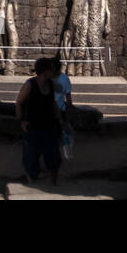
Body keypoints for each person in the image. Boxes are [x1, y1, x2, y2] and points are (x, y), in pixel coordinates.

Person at [15, 57, 63, 185]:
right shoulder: (30, 84)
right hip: (33, 126)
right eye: (52, 69)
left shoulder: (52, 85)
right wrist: (21, 121)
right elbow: (19, 102)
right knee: (31, 157)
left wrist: (59, 120)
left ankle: (54, 183)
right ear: (45, 71)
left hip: (49, 125)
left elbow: (54, 104)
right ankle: (31, 182)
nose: (54, 72)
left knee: (53, 155)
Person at [51, 56, 74, 159]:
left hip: (60, 109)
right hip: (48, 110)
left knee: (63, 132)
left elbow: (68, 96)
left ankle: (66, 148)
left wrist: (68, 111)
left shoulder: (64, 79)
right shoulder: (46, 78)